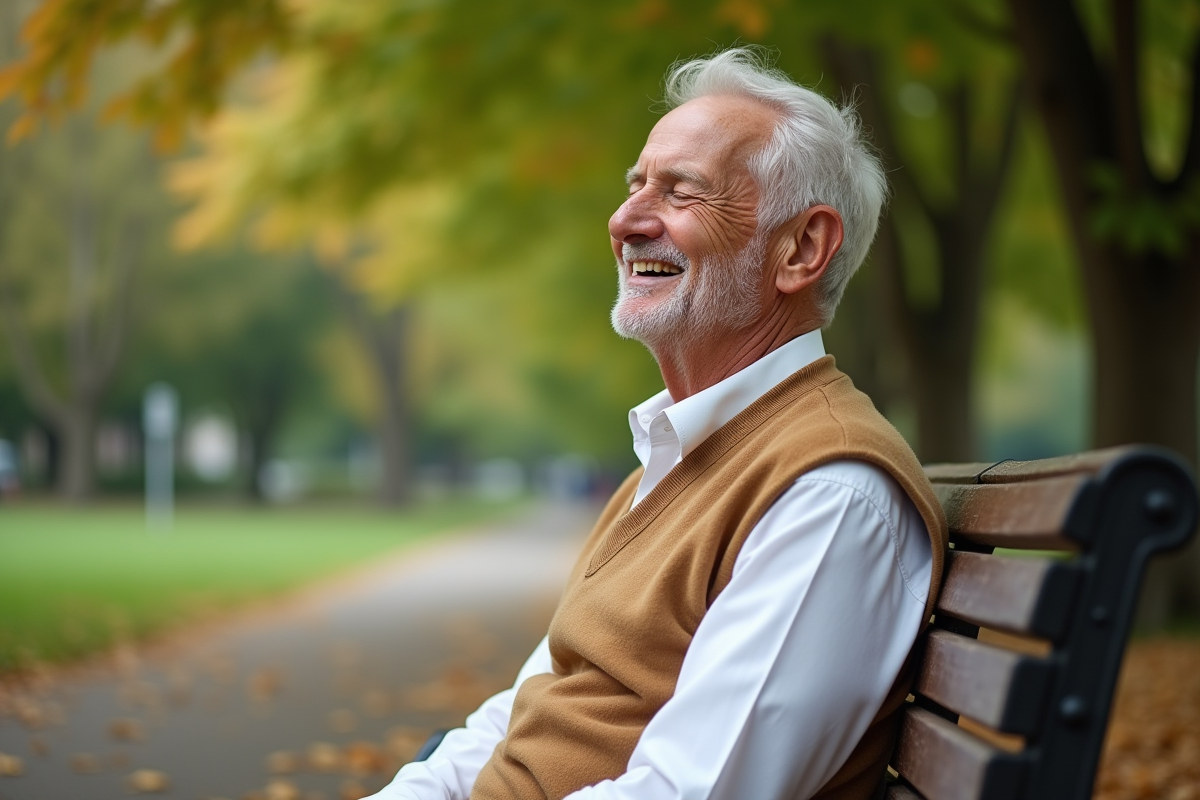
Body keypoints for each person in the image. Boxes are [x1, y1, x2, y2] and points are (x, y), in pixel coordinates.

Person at [375, 47, 948, 800]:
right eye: (635, 185)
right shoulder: (677, 456)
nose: (625, 220)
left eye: (681, 193)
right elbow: (530, 708)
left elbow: (686, 793)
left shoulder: (830, 494)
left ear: (802, 248)